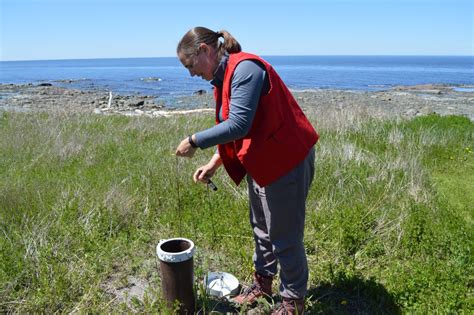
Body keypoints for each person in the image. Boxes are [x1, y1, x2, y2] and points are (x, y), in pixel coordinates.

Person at [175, 26, 319, 315]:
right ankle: (263, 284)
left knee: (285, 236)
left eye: (191, 65)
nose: (191, 74)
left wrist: (194, 141)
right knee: (262, 228)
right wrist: (214, 163)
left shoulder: (245, 69)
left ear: (204, 50)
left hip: (286, 159)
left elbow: (238, 124)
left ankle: (293, 301)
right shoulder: (223, 76)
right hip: (263, 160)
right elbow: (239, 130)